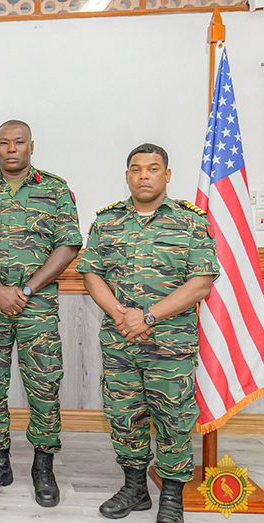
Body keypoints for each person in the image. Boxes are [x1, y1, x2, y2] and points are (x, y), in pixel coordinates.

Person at [77, 143, 218, 523]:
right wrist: (119, 315)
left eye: (153, 168)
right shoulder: (107, 222)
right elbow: (92, 273)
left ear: (166, 175)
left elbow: (201, 283)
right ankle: (135, 488)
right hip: (120, 341)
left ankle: (172, 496)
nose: (144, 175)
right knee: (125, 416)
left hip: (170, 345)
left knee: (173, 418)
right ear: (127, 175)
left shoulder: (191, 221)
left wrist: (148, 317)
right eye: (136, 169)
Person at [0, 120, 82, 507]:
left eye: (19, 142)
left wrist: (25, 290)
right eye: (4, 143)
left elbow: (69, 245)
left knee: (44, 386)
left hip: (37, 308)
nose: (12, 149)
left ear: (31, 147)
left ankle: (43, 467)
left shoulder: (55, 189)